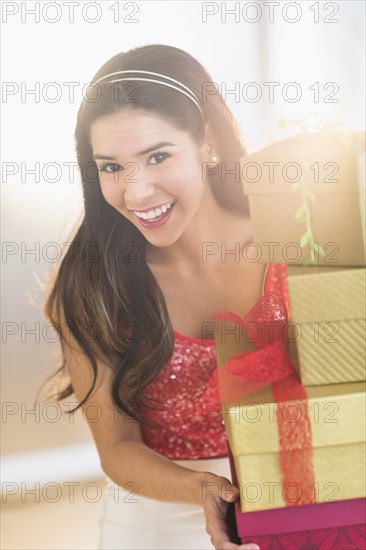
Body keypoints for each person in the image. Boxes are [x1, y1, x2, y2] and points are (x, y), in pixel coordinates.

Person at [44, 44, 288, 550]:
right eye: (111, 167)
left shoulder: (294, 244)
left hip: (298, 495)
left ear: (209, 144)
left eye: (158, 156)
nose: (136, 193)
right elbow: (116, 448)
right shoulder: (92, 282)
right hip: (158, 513)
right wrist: (205, 489)